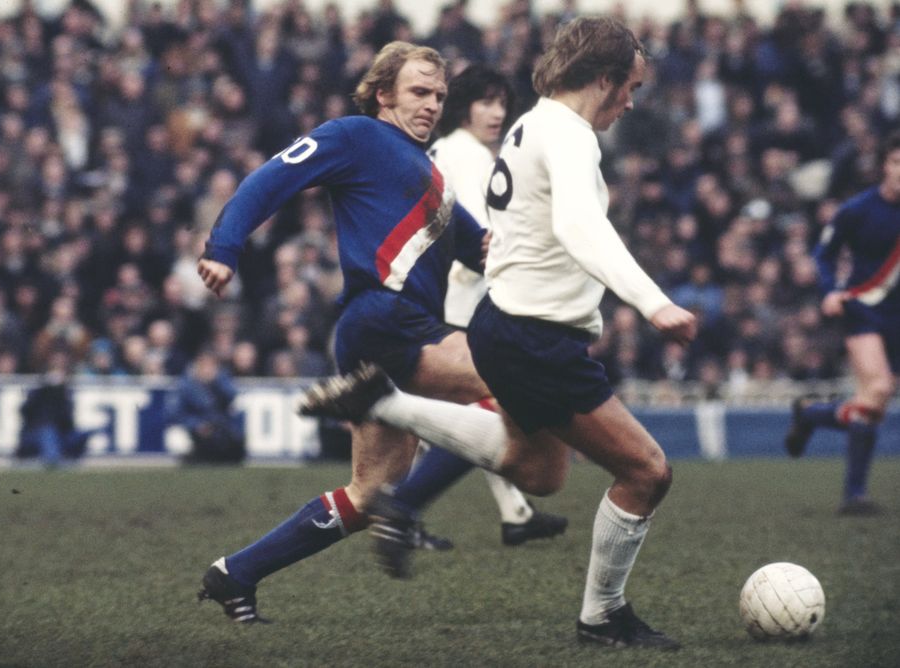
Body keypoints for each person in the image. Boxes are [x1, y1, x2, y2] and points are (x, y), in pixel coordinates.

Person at [301, 17, 696, 649]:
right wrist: (652, 302)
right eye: (631, 87)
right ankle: (603, 616)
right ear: (603, 78)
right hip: (537, 338)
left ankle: (388, 402)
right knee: (647, 472)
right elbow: (577, 226)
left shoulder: (530, 122)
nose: (631, 101)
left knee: (538, 470)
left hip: (502, 326)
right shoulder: (569, 136)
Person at [195, 41, 493, 624]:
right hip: (385, 320)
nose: (432, 104)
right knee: (514, 387)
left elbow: (482, 250)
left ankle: (236, 573)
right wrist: (224, 247)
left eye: (438, 95)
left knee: (366, 494)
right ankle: (406, 509)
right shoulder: (356, 135)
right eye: (418, 92)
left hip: (396, 330)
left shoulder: (433, 175)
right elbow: (267, 180)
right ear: (383, 94)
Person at [394, 64, 567, 551]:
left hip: (446, 299)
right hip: (458, 302)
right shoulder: (462, 155)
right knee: (494, 412)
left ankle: (512, 513)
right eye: (485, 102)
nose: (495, 113)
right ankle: (403, 505)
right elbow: (479, 235)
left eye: (501, 104)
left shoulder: (455, 152)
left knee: (480, 413)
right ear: (464, 104)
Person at [784, 130, 900, 515]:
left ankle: (812, 414)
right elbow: (824, 254)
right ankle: (853, 496)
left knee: (872, 405)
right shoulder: (858, 209)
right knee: (880, 387)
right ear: (885, 165)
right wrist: (831, 290)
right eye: (897, 162)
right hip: (862, 308)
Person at [15, 351, 93, 467]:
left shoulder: (66, 394)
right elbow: (26, 412)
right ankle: (52, 459)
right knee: (47, 432)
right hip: (37, 434)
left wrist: (59, 393)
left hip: (60, 435)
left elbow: (67, 421)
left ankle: (68, 459)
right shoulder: (38, 391)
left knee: (85, 433)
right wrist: (46, 389)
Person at [169, 350, 246, 464]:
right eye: (204, 365)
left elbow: (231, 396)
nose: (207, 370)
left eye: (211, 366)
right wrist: (196, 425)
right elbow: (175, 413)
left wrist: (216, 382)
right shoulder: (186, 385)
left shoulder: (221, 379)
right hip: (196, 430)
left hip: (219, 428)